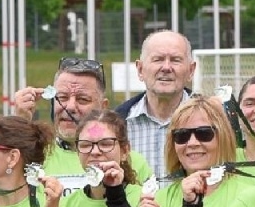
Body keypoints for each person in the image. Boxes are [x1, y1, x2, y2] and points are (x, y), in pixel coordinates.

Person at [8, 57, 152, 186]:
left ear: (103, 107)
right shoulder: (33, 155)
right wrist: (20, 123)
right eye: (62, 98)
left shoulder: (132, 162)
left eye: (82, 99)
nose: (70, 107)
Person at [114, 31, 197, 178]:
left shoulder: (214, 121)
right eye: (158, 59)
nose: (166, 67)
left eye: (175, 60)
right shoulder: (117, 123)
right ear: (140, 69)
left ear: (191, 71)